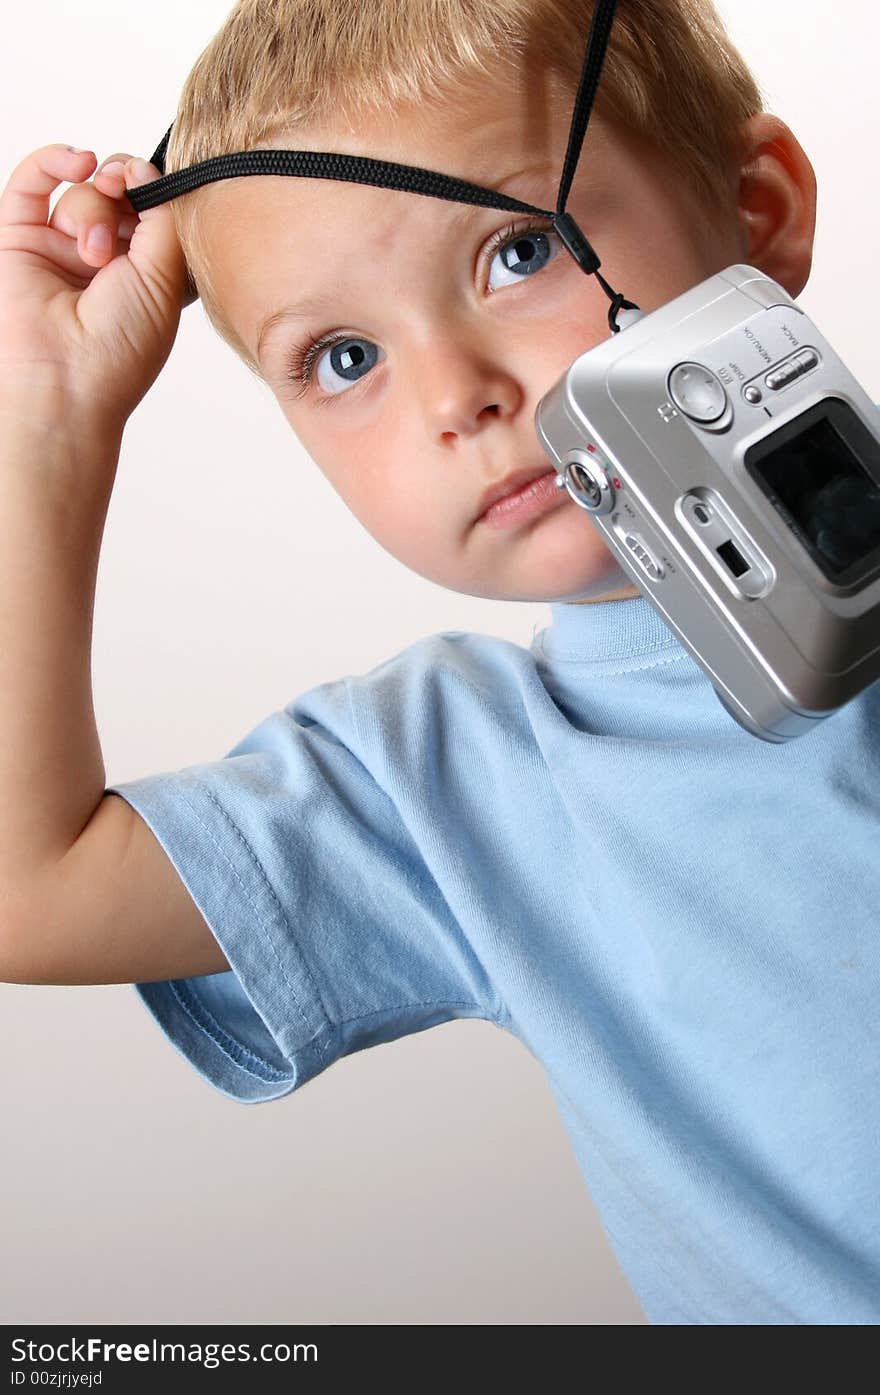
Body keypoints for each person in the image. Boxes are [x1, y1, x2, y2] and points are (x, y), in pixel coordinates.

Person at [1, 0, 877, 1324]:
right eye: (342, 356)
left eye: (518, 252)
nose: (453, 391)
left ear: (756, 211)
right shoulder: (447, 785)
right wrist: (48, 424)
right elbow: (28, 890)